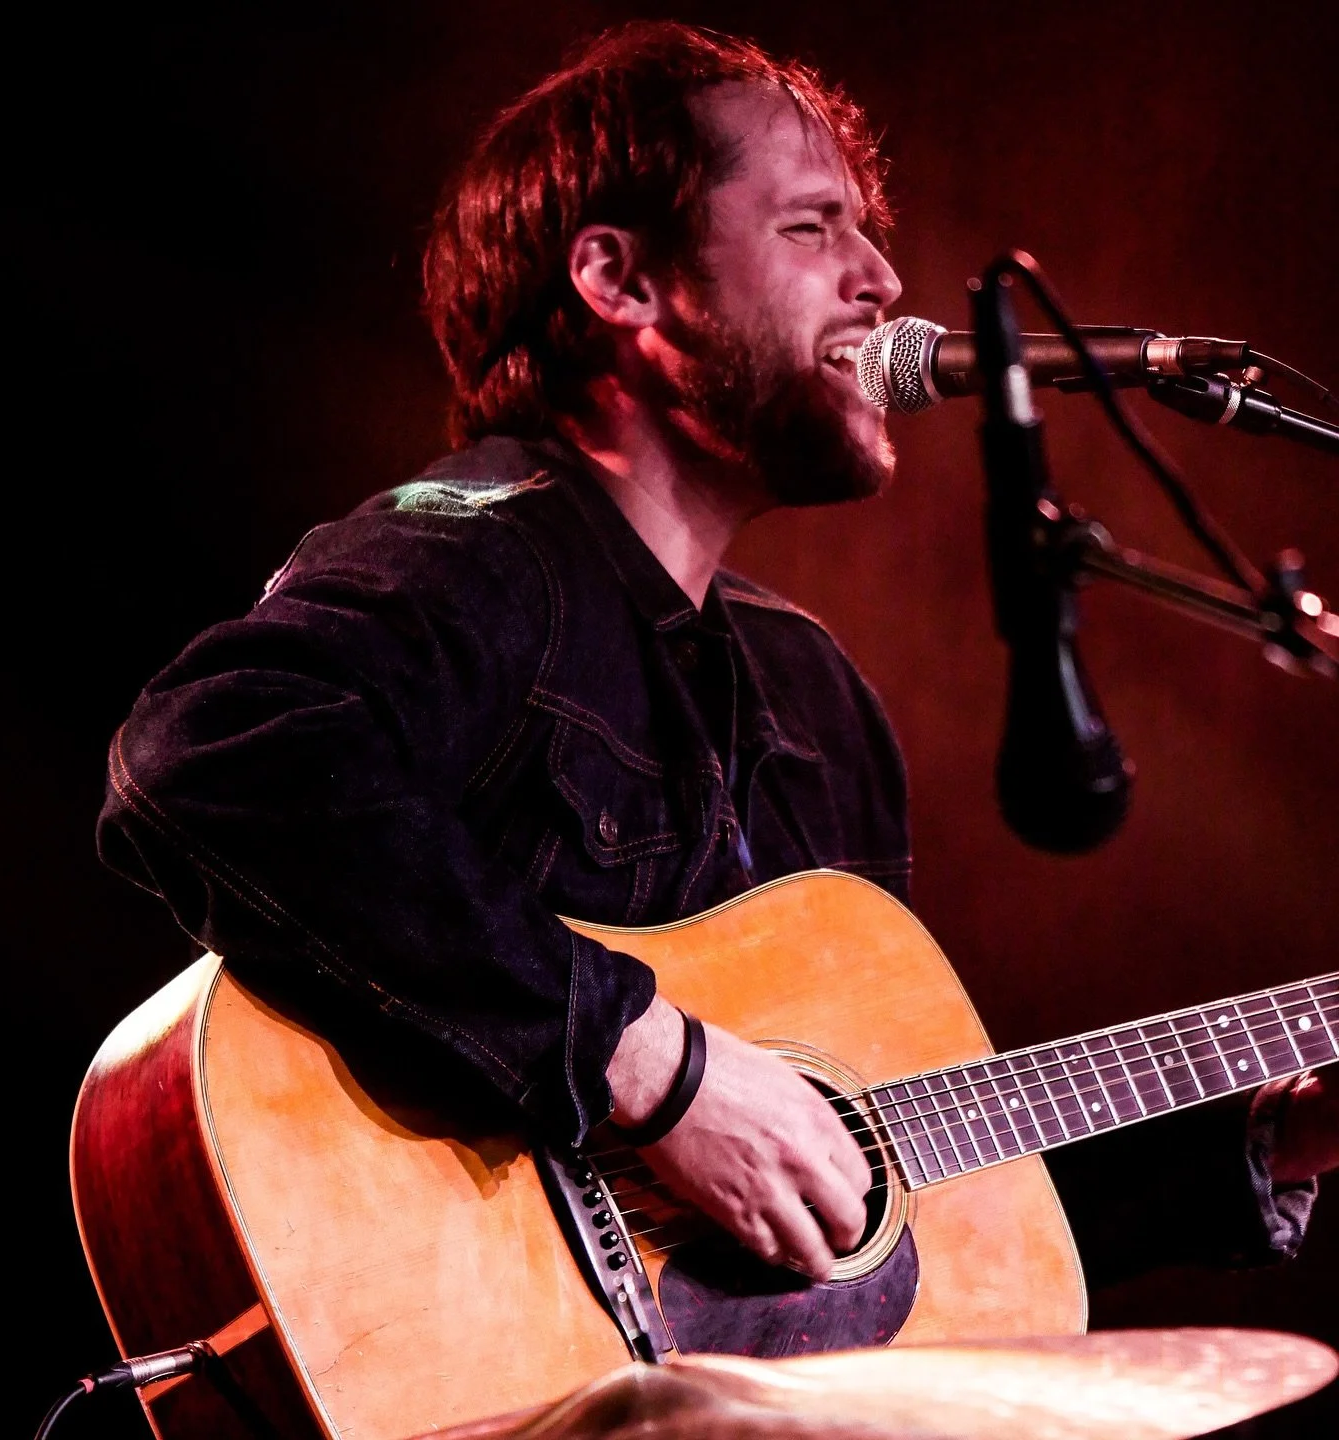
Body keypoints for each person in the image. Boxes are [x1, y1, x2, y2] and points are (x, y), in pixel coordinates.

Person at [97, 22, 1331, 1296]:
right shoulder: (478, 557)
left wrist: (1285, 1133)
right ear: (620, 282)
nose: (881, 280)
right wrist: (650, 1063)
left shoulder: (817, 701)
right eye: (811, 228)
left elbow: (894, 1185)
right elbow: (208, 757)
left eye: (865, 229)